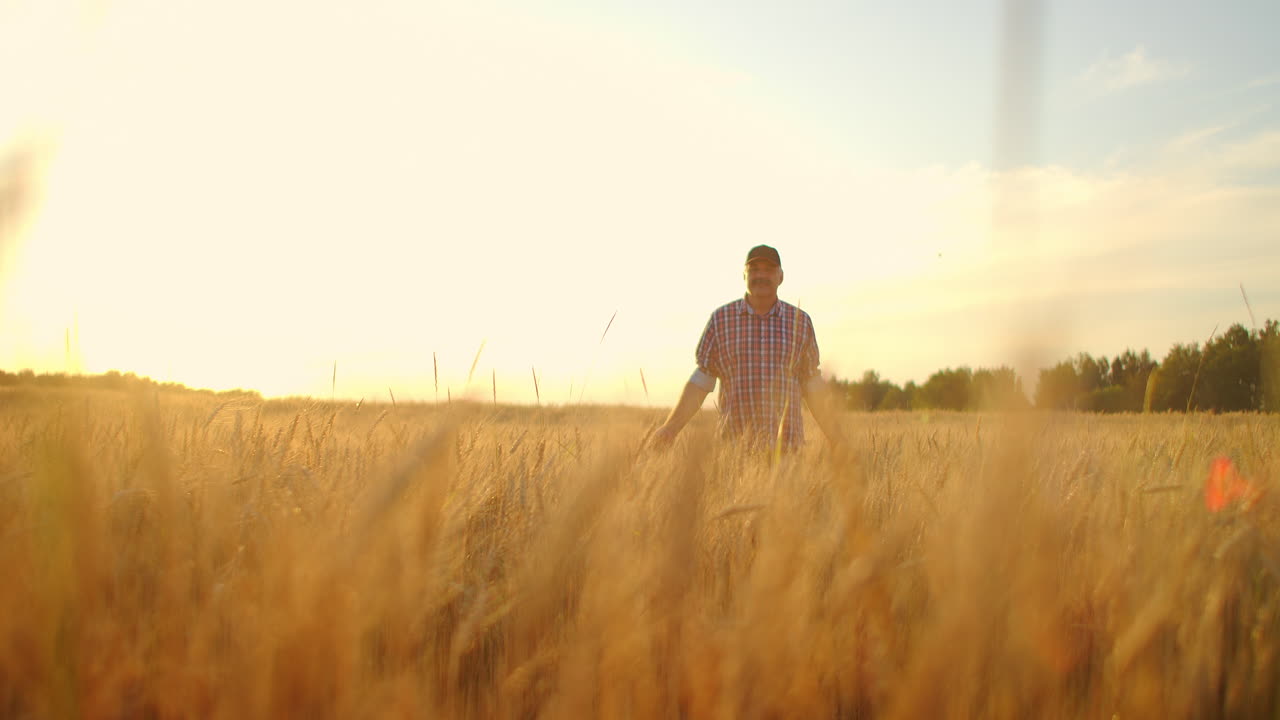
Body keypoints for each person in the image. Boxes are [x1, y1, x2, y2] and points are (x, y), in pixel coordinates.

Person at [648, 245, 847, 453]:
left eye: (768, 269)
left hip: (787, 452)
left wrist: (837, 438)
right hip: (732, 451)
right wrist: (670, 428)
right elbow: (701, 382)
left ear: (781, 276)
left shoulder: (800, 322)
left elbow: (812, 385)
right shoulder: (721, 320)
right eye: (754, 270)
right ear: (743, 275)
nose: (761, 275)